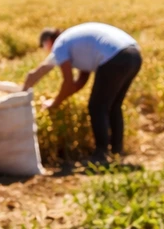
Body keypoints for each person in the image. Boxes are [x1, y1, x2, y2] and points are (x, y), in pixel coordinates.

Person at [22, 23, 142, 163]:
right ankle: (117, 151)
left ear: (47, 41)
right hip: (134, 55)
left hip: (114, 57)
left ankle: (101, 155)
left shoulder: (60, 44)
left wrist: (55, 102)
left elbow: (68, 82)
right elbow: (80, 82)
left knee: (97, 107)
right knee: (113, 105)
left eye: (45, 47)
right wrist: (61, 96)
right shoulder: (74, 42)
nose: (48, 51)